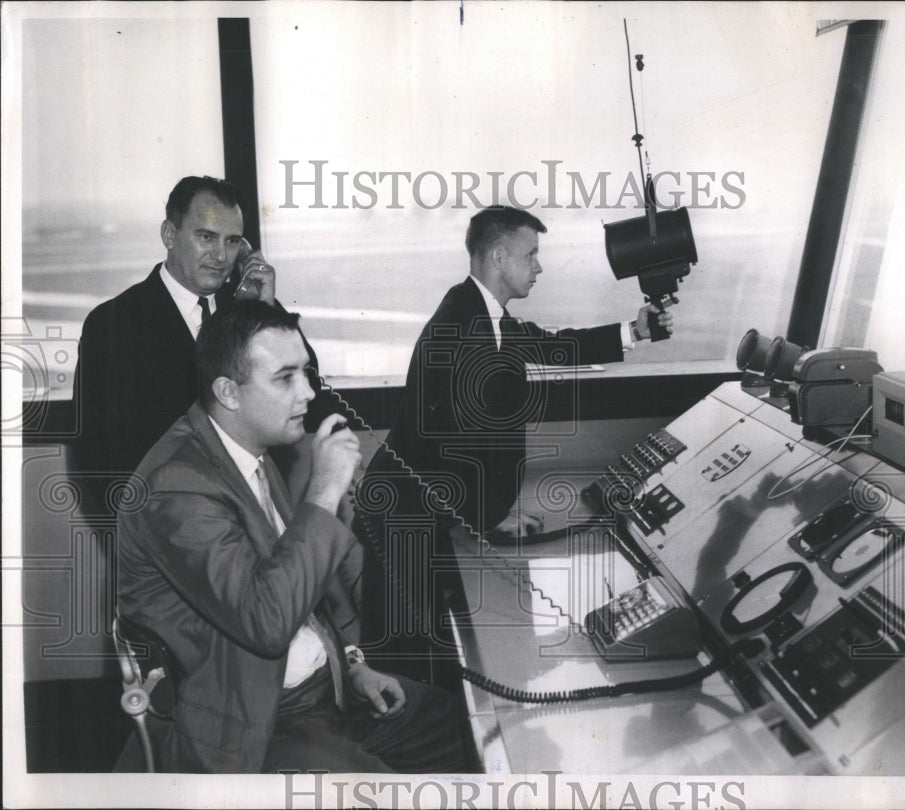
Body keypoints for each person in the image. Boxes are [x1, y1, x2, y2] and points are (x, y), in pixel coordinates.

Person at [116, 300, 468, 773]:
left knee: (466, 729)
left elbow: (296, 585)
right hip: (255, 722)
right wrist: (324, 491)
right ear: (229, 392)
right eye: (285, 378)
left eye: (305, 372)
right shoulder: (177, 488)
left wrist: (351, 665)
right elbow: (266, 620)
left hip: (322, 691)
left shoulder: (250, 451)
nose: (307, 392)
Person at [357, 205, 673, 677]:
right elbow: (460, 445)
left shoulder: (484, 315)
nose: (540, 267)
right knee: (406, 665)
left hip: (424, 509)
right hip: (405, 518)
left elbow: (549, 345)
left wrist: (634, 330)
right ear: (499, 257)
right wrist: (492, 518)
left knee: (431, 651)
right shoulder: (461, 331)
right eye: (532, 255)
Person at [72, 175, 295, 484]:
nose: (220, 256)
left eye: (232, 241)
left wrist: (265, 314)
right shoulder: (113, 323)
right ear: (169, 235)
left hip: (254, 508)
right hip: (165, 515)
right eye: (206, 237)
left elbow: (307, 397)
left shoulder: (253, 309)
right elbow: (98, 456)